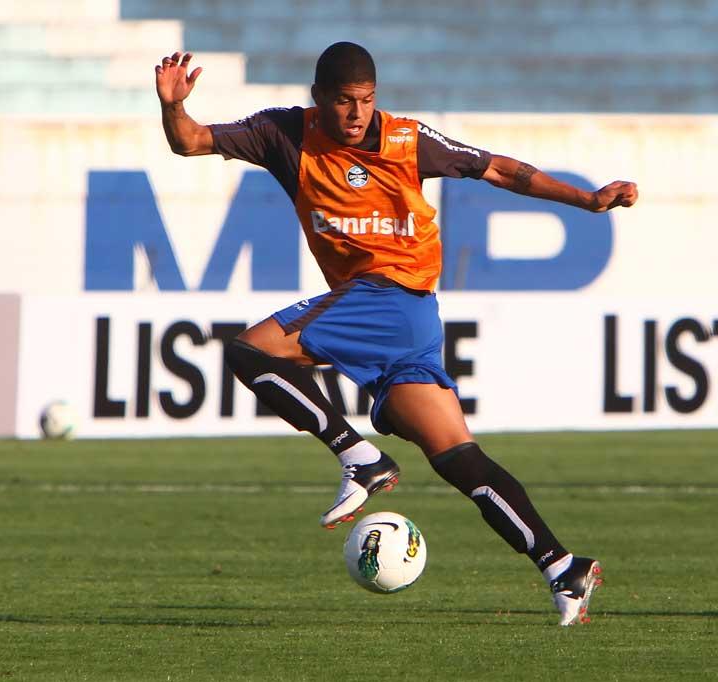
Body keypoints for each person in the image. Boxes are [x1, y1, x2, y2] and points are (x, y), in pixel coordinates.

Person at [154, 42, 637, 626]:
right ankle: (563, 568)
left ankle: (357, 456)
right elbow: (191, 141)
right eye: (343, 101)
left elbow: (499, 169)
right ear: (318, 99)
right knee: (460, 459)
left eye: (365, 100)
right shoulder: (283, 134)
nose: (356, 114)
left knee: (250, 352)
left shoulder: (408, 139)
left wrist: (585, 200)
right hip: (400, 318)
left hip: (393, 297)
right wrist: (174, 107)